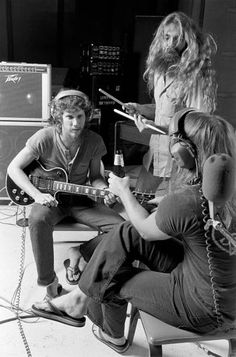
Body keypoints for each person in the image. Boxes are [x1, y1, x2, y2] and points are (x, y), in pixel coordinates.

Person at [31, 109, 236, 353]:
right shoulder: (214, 192)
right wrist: (169, 202)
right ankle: (78, 298)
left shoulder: (186, 201)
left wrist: (124, 192)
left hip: (204, 309)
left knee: (114, 275)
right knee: (127, 233)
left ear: (185, 152)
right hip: (215, 286)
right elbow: (151, 228)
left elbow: (148, 230)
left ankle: (109, 331)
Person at [7, 88, 124, 299]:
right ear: (59, 117)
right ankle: (49, 284)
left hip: (81, 200)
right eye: (69, 117)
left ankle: (80, 252)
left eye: (80, 116)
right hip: (50, 200)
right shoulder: (44, 137)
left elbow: (96, 177)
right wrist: (37, 195)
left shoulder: (94, 140)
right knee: (38, 220)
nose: (76, 123)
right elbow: (13, 168)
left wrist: (103, 190)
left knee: (121, 228)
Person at [125, 11, 218, 195]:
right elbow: (165, 110)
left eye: (177, 39)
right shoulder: (160, 70)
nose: (170, 44)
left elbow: (198, 124)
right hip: (156, 152)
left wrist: (157, 126)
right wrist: (140, 109)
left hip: (182, 157)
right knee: (140, 199)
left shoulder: (195, 75)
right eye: (167, 37)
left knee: (172, 215)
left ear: (188, 41)